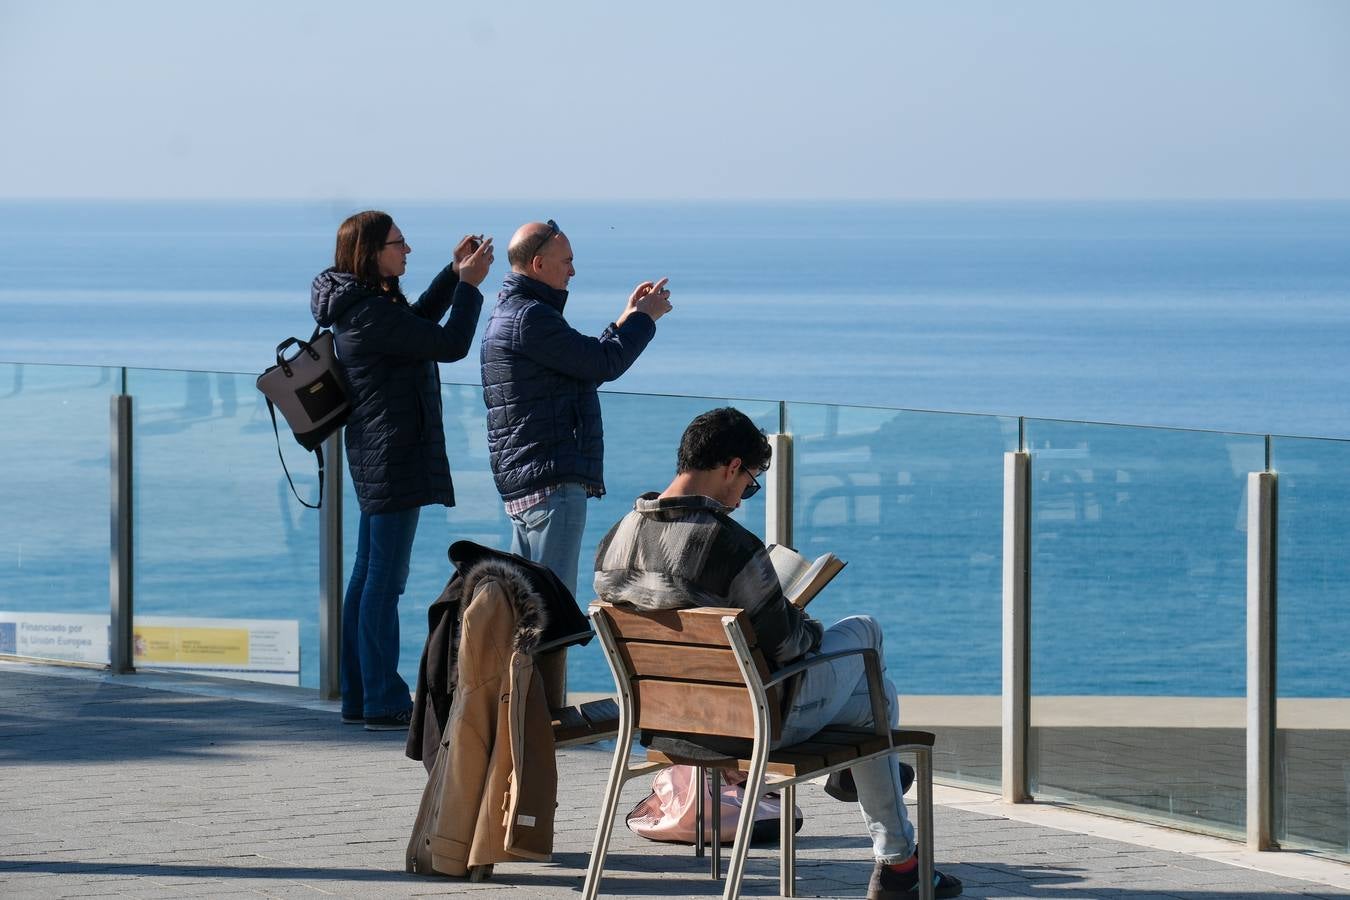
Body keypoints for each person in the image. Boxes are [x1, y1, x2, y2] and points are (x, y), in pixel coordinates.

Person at [593, 407, 963, 900]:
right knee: (866, 636)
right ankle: (892, 852)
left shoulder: (615, 538)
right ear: (731, 466)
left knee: (872, 706)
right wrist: (793, 612)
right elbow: (791, 644)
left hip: (665, 723)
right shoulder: (727, 544)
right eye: (749, 483)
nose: (744, 497)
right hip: (750, 724)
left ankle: (900, 858)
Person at [311, 210, 493, 731]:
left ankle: (360, 694)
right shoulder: (369, 312)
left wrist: (454, 274)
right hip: (392, 456)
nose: (407, 251)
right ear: (370, 253)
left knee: (369, 574)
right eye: (398, 244)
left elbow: (417, 324)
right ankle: (383, 699)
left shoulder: (366, 304)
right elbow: (449, 344)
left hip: (379, 452)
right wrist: (472, 288)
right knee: (383, 581)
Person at [480, 219, 672, 595]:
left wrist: (627, 318)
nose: (573, 270)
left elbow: (582, 367)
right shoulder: (531, 318)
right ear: (538, 264)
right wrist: (645, 318)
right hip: (550, 480)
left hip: (527, 481)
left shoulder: (511, 314)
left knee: (526, 604)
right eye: (566, 261)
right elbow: (603, 364)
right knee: (552, 610)